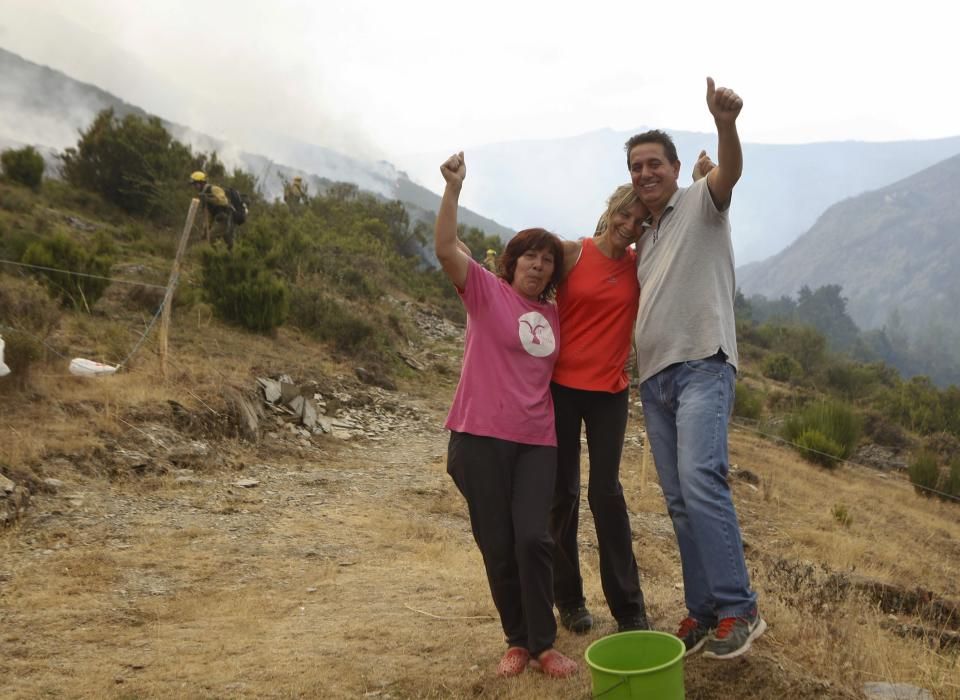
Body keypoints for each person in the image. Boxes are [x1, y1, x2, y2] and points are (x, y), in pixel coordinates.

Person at [626, 77, 765, 660]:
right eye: (635, 167)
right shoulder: (646, 236)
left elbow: (728, 173)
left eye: (654, 163)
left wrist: (726, 124)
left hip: (703, 365)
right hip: (655, 381)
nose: (644, 173)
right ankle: (704, 611)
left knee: (703, 482)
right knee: (680, 499)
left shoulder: (701, 201)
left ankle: (739, 609)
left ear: (676, 168)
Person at [549, 158, 715, 636]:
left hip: (609, 395)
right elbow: (524, 278)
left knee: (607, 496)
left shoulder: (642, 263)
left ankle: (629, 608)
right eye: (623, 215)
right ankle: (569, 600)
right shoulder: (571, 254)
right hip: (560, 390)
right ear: (611, 210)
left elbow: (687, 247)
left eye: (638, 221)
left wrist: (703, 184)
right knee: (562, 496)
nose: (629, 226)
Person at [435, 150, 578, 679]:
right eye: (530, 257)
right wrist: (452, 190)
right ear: (512, 262)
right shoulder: (484, 293)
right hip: (478, 435)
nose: (539, 266)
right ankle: (517, 640)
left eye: (547, 261)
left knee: (534, 538)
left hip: (537, 439)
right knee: (497, 544)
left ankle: (545, 643)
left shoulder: (558, 315)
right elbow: (446, 248)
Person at [189, 171, 236, 249]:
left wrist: (207, 199)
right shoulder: (203, 195)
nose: (194, 187)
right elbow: (209, 216)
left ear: (201, 183)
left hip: (227, 218)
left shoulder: (214, 189)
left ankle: (216, 257)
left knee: (212, 237)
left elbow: (223, 201)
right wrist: (204, 231)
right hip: (221, 220)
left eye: (195, 184)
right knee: (229, 245)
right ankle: (225, 257)